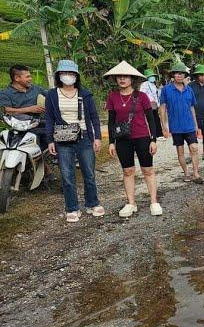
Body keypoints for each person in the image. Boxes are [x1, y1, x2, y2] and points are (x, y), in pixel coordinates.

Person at [44, 59, 104, 222]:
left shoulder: (85, 94)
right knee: (67, 174)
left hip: (84, 137)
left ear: (76, 76)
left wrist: (97, 137)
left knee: (89, 172)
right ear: (59, 75)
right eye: (64, 73)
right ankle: (72, 207)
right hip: (63, 138)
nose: (68, 76)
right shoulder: (51, 94)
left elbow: (94, 117)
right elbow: (49, 118)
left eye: (71, 74)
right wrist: (50, 140)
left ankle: (92, 203)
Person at [104, 61, 162, 218]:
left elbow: (151, 119)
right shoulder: (113, 97)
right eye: (119, 76)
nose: (122, 79)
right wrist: (111, 142)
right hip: (123, 139)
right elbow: (111, 121)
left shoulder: (141, 96)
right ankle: (131, 202)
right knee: (127, 171)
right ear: (116, 79)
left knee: (148, 170)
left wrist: (153, 139)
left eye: (126, 76)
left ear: (132, 79)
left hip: (142, 136)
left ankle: (154, 201)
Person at [0, 64, 55, 182]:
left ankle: (58, 168)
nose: (30, 79)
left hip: (38, 123)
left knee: (53, 140)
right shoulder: (5, 93)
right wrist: (29, 109)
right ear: (17, 78)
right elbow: (7, 109)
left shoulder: (36, 89)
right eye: (27, 76)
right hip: (17, 126)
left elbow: (51, 96)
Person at [159, 62, 204, 184]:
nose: (179, 75)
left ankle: (196, 173)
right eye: (176, 73)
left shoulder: (189, 90)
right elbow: (162, 108)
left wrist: (196, 126)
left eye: (182, 73)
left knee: (194, 148)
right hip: (175, 127)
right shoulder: (166, 90)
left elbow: (192, 108)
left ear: (185, 75)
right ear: (173, 75)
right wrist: (164, 126)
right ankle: (186, 172)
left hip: (189, 125)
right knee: (180, 151)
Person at [139, 68, 163, 139]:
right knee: (152, 119)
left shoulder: (153, 84)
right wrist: (148, 101)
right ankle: (155, 134)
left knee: (156, 118)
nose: (153, 77)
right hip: (149, 104)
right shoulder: (144, 84)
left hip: (155, 104)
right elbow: (142, 94)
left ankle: (159, 134)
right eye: (151, 76)